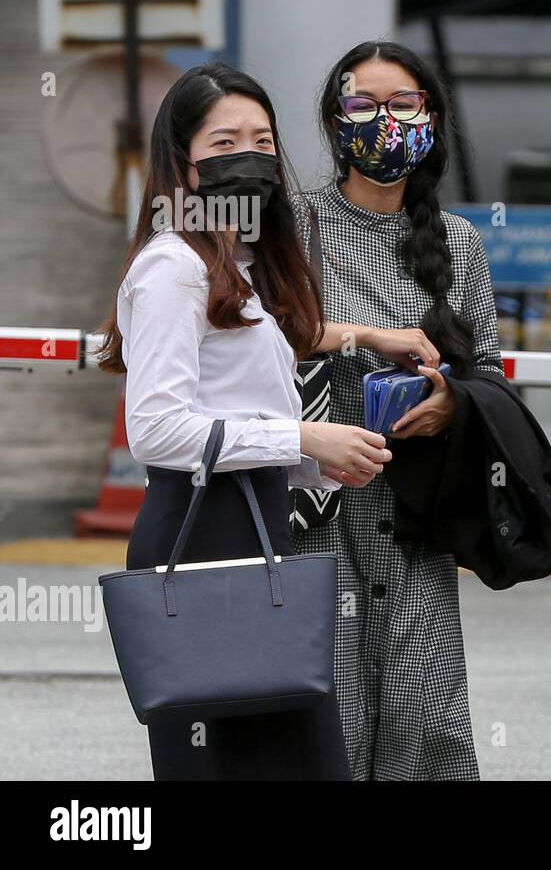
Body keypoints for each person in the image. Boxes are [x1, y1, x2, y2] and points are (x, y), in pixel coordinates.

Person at [97, 61, 391, 780]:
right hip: (198, 538)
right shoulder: (173, 267)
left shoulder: (246, 268)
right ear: (184, 167)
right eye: (225, 143)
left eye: (262, 140)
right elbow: (158, 432)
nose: (250, 157)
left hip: (257, 524)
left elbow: (232, 409)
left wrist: (313, 459)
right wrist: (299, 438)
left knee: (295, 756)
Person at [292, 41, 505, 781]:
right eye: (362, 105)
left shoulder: (460, 242)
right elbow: (246, 332)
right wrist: (359, 337)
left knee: (427, 717)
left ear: (432, 119)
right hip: (314, 510)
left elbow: (490, 375)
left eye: (403, 104)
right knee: (328, 714)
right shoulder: (294, 226)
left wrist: (452, 404)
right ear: (333, 122)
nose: (383, 121)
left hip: (419, 513)